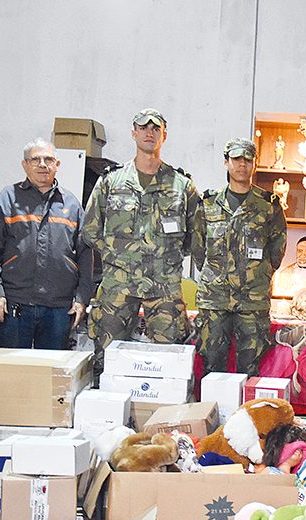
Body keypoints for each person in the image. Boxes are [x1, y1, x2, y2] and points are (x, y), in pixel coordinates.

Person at [82, 108, 200, 375]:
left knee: (169, 363)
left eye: (156, 128)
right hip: (118, 286)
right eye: (143, 128)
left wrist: (165, 257)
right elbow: (90, 230)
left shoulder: (181, 185)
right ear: (133, 133)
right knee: (108, 361)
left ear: (164, 136)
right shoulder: (111, 181)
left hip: (164, 286)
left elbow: (196, 235)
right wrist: (118, 258)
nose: (150, 133)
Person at [0, 139, 92, 349]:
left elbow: (86, 255)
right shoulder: (7, 199)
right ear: (25, 165)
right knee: (12, 366)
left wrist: (81, 298)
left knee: (51, 368)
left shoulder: (72, 204)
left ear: (57, 165)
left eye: (48, 159)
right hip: (14, 303)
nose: (42, 164)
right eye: (35, 159)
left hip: (59, 307)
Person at [193, 138, 287, 375]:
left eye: (248, 159)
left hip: (252, 299)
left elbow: (277, 248)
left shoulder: (269, 205)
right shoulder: (208, 203)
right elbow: (198, 248)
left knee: (251, 369)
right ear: (226, 162)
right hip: (215, 299)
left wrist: (259, 275)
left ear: (254, 163)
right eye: (236, 159)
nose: (242, 164)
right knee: (212, 366)